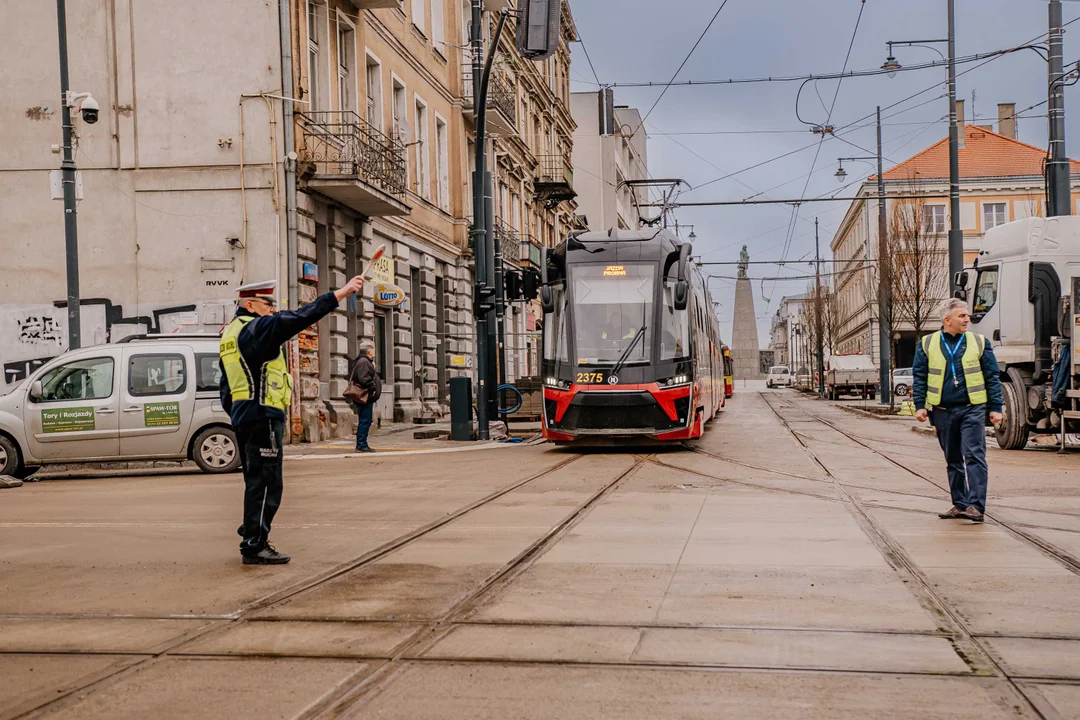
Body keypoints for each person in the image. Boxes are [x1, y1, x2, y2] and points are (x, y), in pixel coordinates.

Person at [220, 276, 365, 565]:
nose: (272, 310)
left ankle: (252, 527)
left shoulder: (230, 333)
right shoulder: (257, 329)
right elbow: (299, 318)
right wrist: (342, 292)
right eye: (267, 304)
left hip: (245, 416)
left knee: (254, 481)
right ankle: (254, 543)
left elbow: (225, 385)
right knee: (267, 483)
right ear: (251, 304)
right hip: (263, 416)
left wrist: (237, 414)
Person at [912, 298, 1004, 523]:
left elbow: (992, 377)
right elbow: (920, 377)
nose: (967, 319)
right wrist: (920, 405)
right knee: (952, 458)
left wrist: (996, 408)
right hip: (942, 410)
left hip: (972, 408)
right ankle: (960, 503)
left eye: (967, 315)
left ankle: (976, 506)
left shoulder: (979, 342)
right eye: (962, 316)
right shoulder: (927, 343)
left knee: (974, 456)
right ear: (947, 320)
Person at [349, 341, 381, 453]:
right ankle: (361, 445)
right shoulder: (364, 362)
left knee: (365, 420)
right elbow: (364, 378)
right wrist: (373, 387)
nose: (374, 352)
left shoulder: (363, 361)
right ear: (369, 350)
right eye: (372, 349)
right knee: (365, 421)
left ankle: (362, 444)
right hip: (364, 396)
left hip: (366, 397)